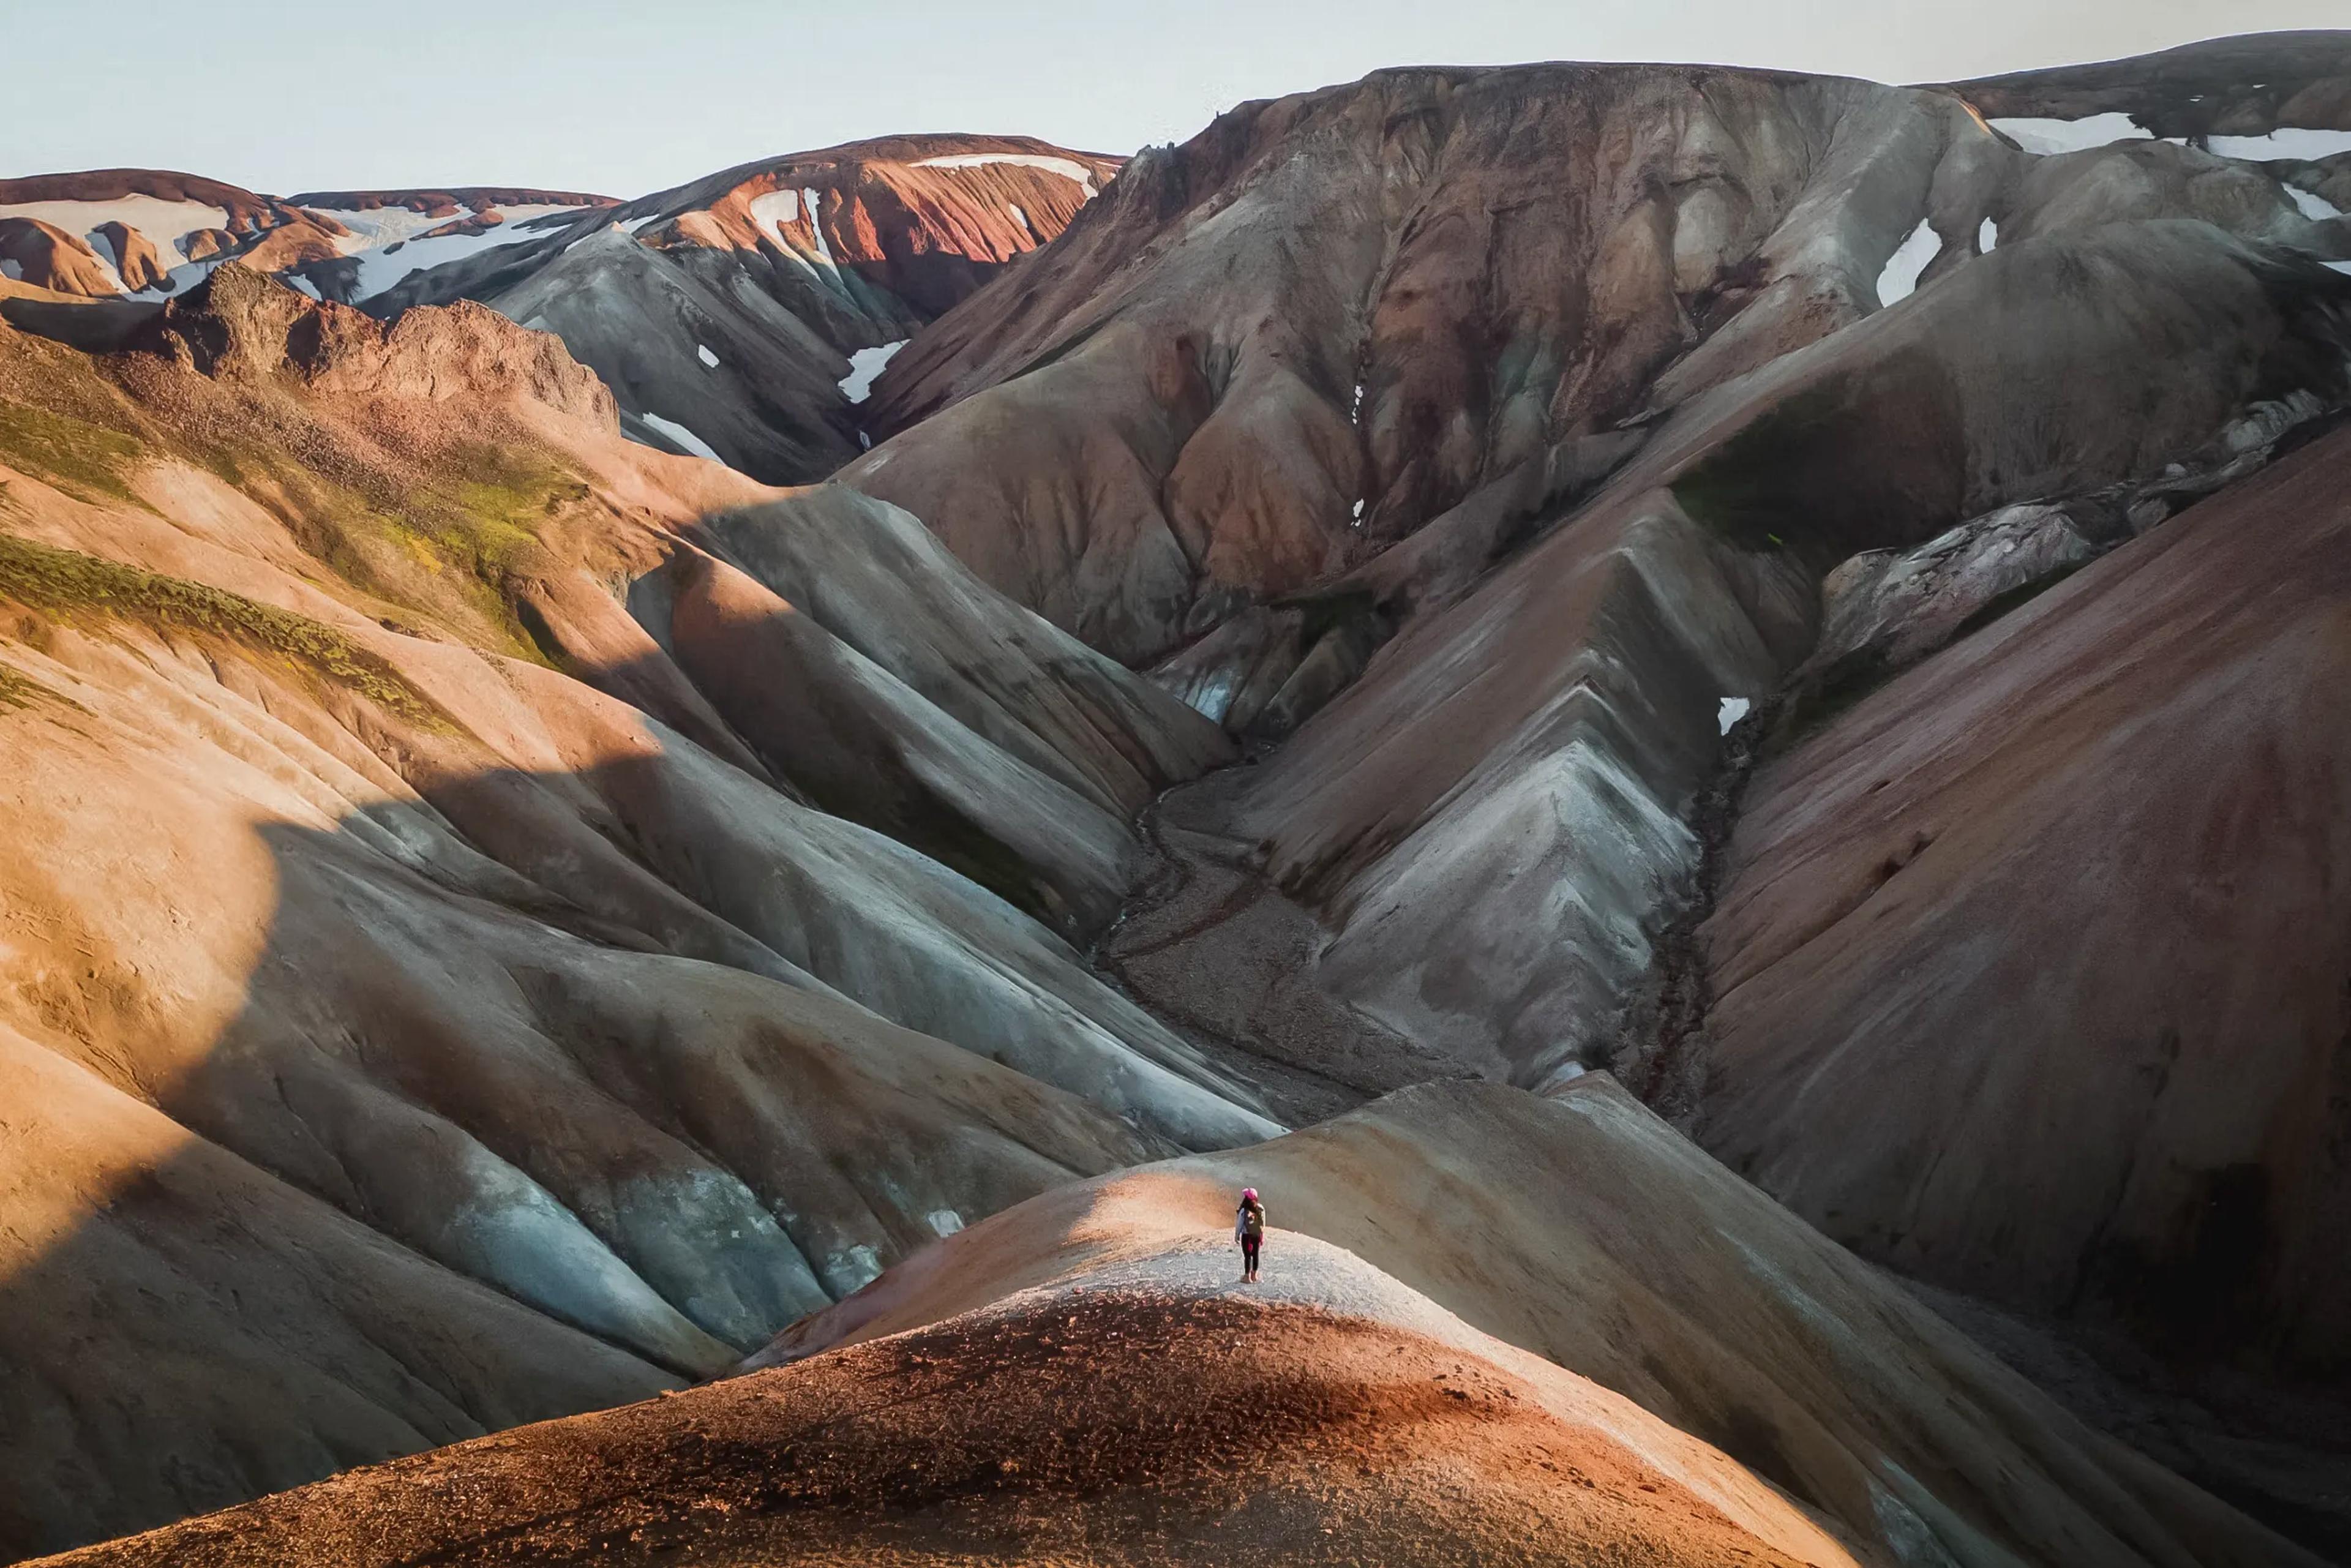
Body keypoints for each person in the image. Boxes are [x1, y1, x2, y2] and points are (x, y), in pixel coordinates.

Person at [1234, 1187, 1266, 1283]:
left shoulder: (1244, 1210)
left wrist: (1237, 1236)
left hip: (1246, 1235)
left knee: (1247, 1256)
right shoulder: (1261, 1208)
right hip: (1257, 1235)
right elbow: (1263, 1223)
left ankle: (1247, 1277)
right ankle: (1254, 1275)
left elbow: (1240, 1224)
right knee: (1256, 1255)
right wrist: (1261, 1235)